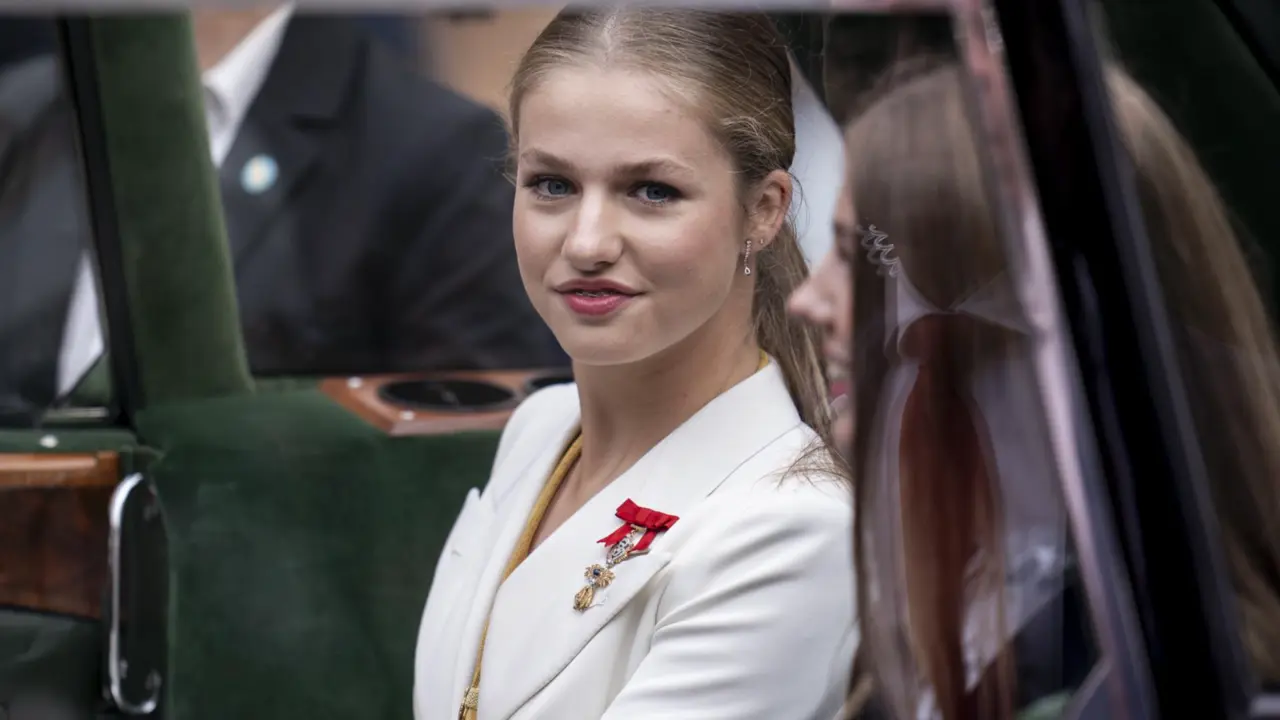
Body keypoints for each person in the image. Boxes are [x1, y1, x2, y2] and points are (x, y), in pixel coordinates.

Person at [795, 57, 1280, 720]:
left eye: (856, 259)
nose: (808, 299)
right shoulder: (989, 604)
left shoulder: (1141, 675)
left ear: (1024, 312)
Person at [412, 9, 856, 720]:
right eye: (551, 185)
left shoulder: (792, 527)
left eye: (652, 191)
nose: (587, 242)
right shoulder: (541, 428)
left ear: (765, 210)